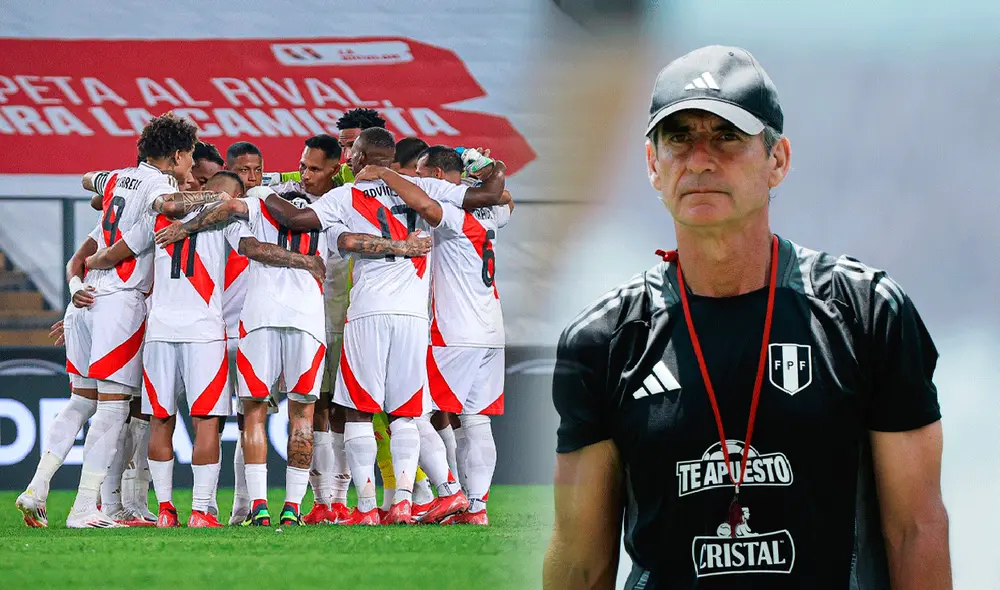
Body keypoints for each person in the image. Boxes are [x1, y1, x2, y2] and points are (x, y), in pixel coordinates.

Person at [543, 45, 951, 589]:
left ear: (777, 160)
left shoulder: (867, 312)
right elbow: (580, 561)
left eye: (727, 136)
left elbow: (916, 529)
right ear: (652, 165)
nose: (701, 158)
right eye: (679, 137)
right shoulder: (604, 340)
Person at [152, 175, 431, 526]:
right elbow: (352, 241)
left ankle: (259, 508)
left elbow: (236, 223)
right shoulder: (325, 217)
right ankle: (293, 508)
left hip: (259, 319)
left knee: (254, 413)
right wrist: (403, 247)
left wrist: (185, 228)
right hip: (308, 323)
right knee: (303, 415)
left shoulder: (257, 206)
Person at [268, 127, 506, 525]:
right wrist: (484, 164)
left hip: (368, 313)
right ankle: (406, 502)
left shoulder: (344, 196)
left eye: (353, 155)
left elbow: (296, 219)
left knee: (360, 412)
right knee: (407, 412)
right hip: (415, 316)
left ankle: (365, 508)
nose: (349, 161)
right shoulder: (422, 187)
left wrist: (258, 196)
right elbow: (487, 196)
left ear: (361, 157)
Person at [57, 113, 233, 528]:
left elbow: (98, 246)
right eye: (189, 159)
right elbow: (171, 205)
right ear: (177, 156)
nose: (191, 173)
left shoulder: (133, 196)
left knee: (150, 418)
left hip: (152, 326)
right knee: (155, 414)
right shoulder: (213, 210)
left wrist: (107, 189)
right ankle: (193, 509)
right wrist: (219, 198)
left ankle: (152, 508)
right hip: (185, 326)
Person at [412, 146, 514, 525]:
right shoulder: (488, 212)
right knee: (477, 420)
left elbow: (425, 206)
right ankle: (476, 508)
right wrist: (482, 174)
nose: (418, 180)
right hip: (492, 329)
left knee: (410, 412)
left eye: (422, 174)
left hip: (454, 331)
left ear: (437, 175)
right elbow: (507, 200)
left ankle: (448, 491)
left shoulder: (449, 213)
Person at [335, 108, 387, 185]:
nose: (347, 156)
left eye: (355, 145)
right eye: (343, 146)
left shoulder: (403, 172)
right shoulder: (344, 171)